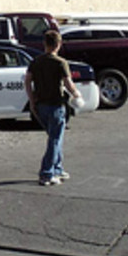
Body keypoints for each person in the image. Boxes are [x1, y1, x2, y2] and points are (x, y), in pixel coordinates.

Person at [24, 29, 81, 186]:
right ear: (58, 44)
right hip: (56, 105)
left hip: (41, 105)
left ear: (45, 43)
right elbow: (68, 83)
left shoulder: (36, 62)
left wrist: (32, 99)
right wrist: (77, 95)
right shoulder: (60, 63)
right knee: (55, 140)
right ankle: (47, 173)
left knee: (55, 138)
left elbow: (27, 81)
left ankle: (57, 168)